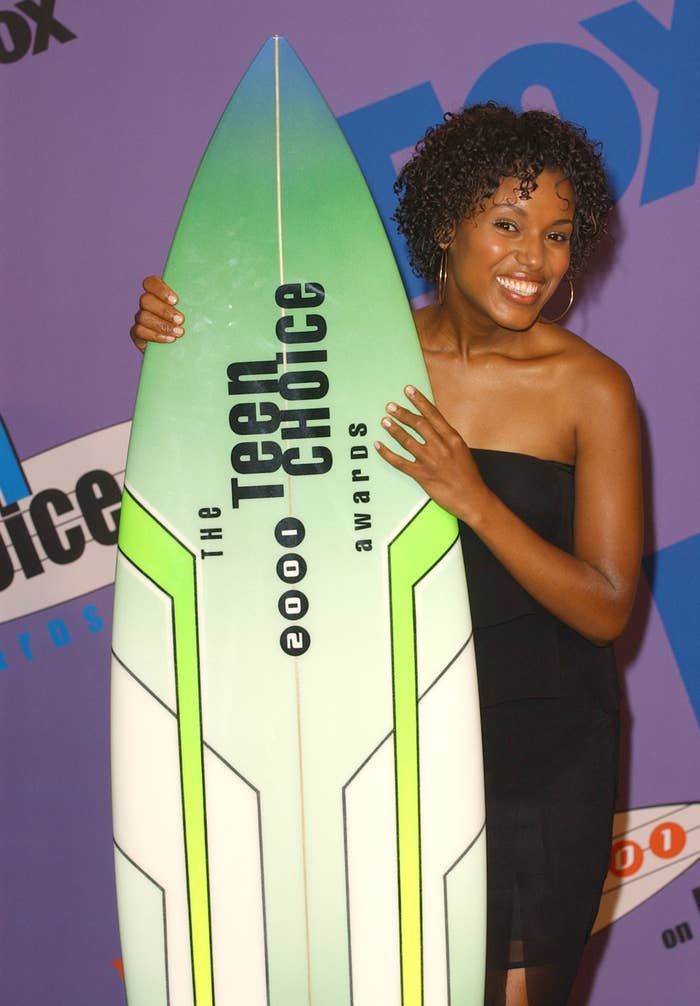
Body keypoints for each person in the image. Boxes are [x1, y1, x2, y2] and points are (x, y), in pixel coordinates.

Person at [129, 103, 642, 1006]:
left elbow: (605, 606)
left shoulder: (589, 388)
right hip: (379, 742)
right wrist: (179, 342)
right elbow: (235, 466)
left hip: (542, 747)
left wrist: (474, 500)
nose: (535, 257)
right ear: (446, 225)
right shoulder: (352, 353)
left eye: (558, 235)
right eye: (508, 224)